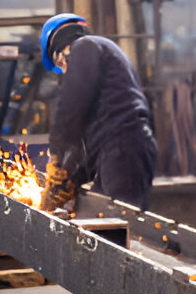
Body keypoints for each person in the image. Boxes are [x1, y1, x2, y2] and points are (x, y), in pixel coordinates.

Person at [39, 13, 158, 211]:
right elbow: (91, 144)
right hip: (120, 148)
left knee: (118, 223)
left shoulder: (86, 46)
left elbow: (71, 104)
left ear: (65, 43)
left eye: (61, 63)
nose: (66, 70)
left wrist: (57, 152)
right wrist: (69, 180)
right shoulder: (101, 60)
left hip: (124, 149)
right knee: (98, 215)